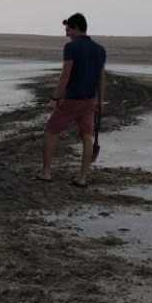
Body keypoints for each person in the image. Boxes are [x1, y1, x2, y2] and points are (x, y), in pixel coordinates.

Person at [39, 13, 106, 187]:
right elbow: (100, 78)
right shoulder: (100, 49)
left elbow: (65, 74)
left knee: (50, 131)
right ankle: (82, 178)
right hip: (90, 101)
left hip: (72, 100)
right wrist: (100, 100)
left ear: (76, 27)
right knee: (86, 137)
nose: (66, 34)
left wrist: (54, 98)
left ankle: (46, 173)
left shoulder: (71, 48)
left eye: (68, 29)